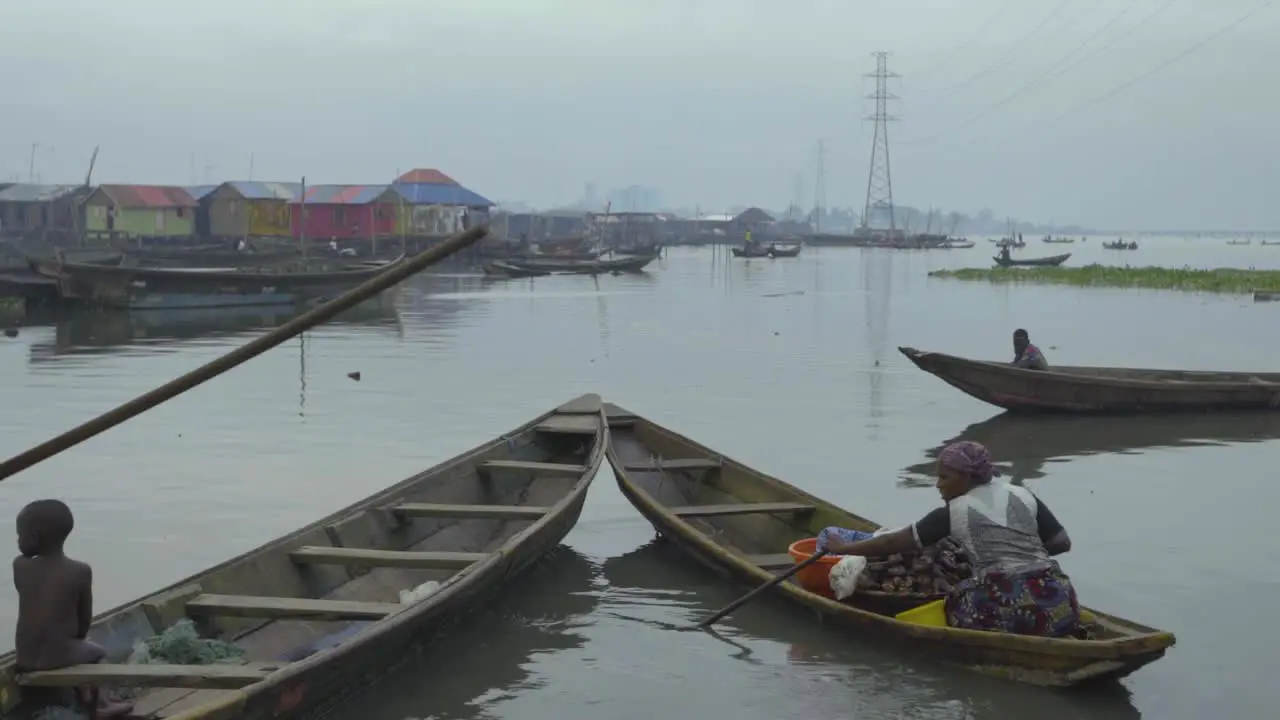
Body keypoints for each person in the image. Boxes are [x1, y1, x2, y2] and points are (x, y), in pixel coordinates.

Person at [822, 441, 1080, 638]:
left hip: (1007, 608)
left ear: (967, 477)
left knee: (955, 602)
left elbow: (893, 543)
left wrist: (843, 548)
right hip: (1059, 601)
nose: (938, 485)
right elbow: (1061, 543)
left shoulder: (956, 511)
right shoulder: (1023, 495)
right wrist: (1022, 556)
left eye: (945, 477)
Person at [14, 500, 132, 718]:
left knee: (78, 647)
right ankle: (99, 705)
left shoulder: (20, 567)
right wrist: (78, 641)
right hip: (56, 656)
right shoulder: (80, 571)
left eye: (20, 534)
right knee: (96, 652)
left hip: (25, 658)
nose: (17, 540)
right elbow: (83, 622)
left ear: (35, 537)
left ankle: (88, 693)